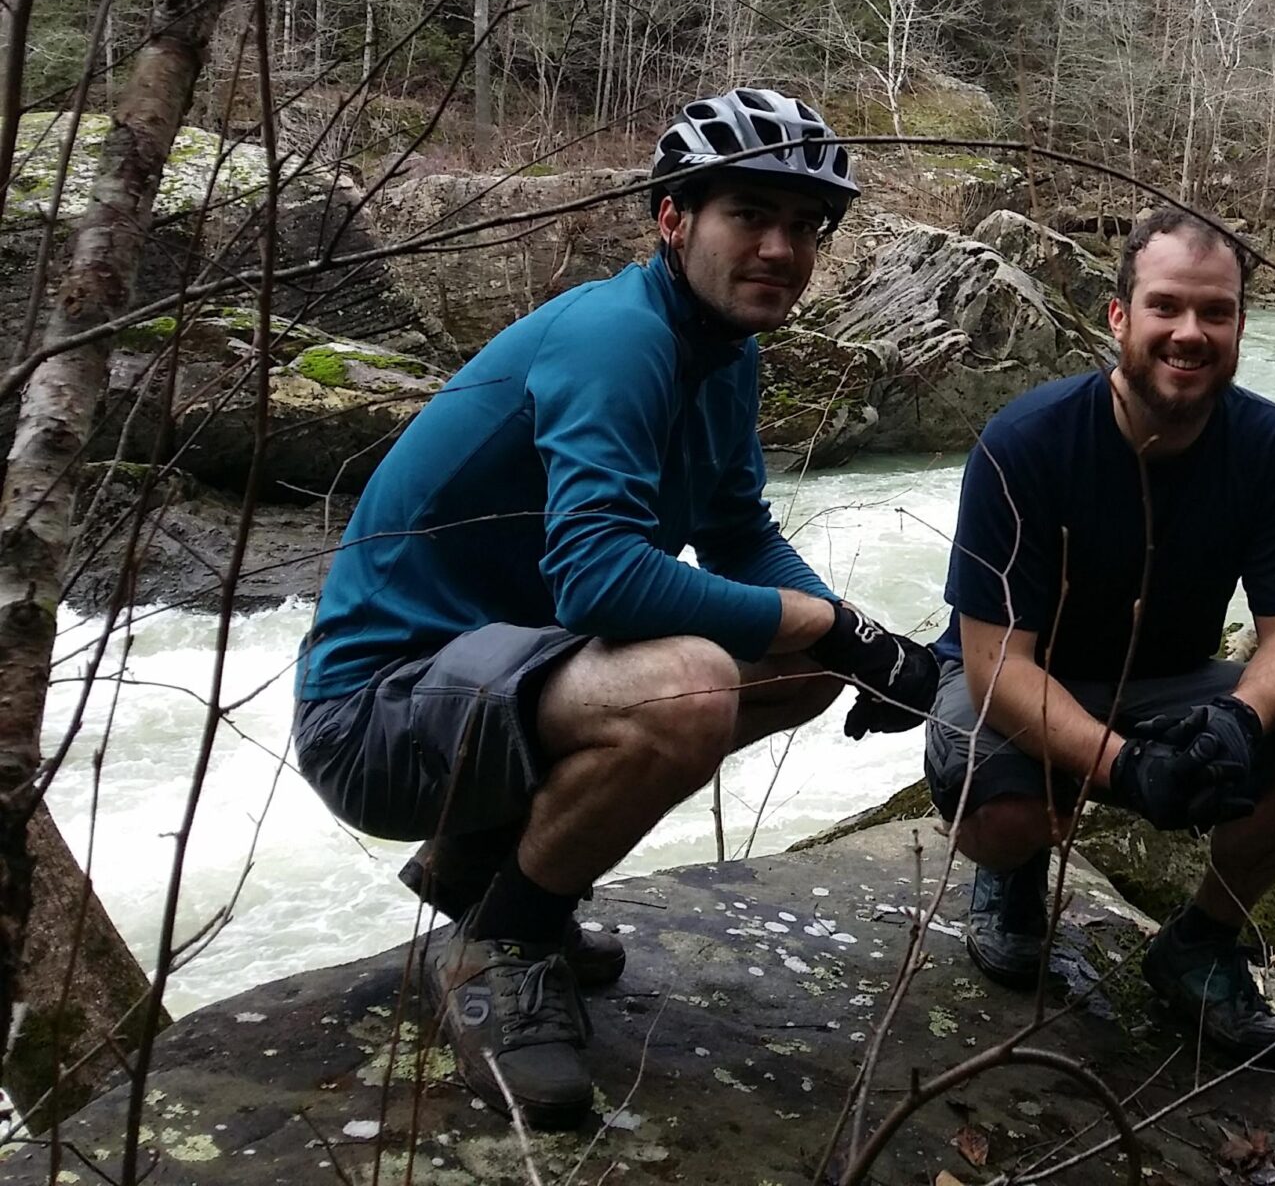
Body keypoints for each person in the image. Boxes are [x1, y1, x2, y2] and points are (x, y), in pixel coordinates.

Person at [293, 88, 941, 1128]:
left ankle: (476, 867)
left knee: (809, 661)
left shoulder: (725, 355)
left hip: (499, 688)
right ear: (674, 218)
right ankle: (504, 940)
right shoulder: (615, 338)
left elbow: (738, 533)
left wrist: (859, 641)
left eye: (804, 228)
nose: (780, 248)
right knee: (689, 685)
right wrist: (836, 625)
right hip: (377, 713)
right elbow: (599, 578)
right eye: (750, 217)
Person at [925, 204, 1275, 1064]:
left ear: (1240, 324)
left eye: (1216, 312)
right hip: (1028, 679)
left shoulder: (1270, 446)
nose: (1189, 333)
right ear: (1119, 317)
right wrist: (1126, 768)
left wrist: (1238, 720)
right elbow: (993, 662)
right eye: (1166, 307)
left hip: (1175, 682)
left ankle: (1201, 940)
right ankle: (1011, 880)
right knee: (1000, 806)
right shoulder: (1026, 443)